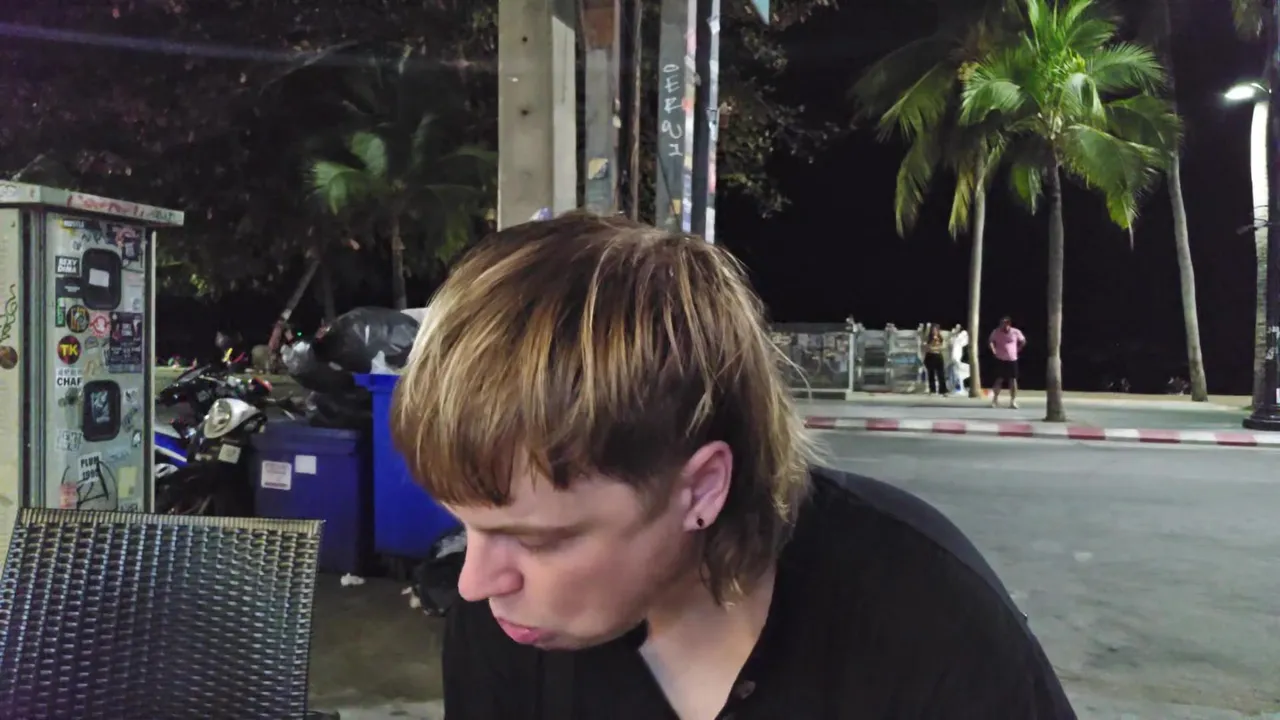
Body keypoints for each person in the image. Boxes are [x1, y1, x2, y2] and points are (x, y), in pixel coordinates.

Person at [390, 212, 1075, 720]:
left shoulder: (923, 616)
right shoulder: (505, 630)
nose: (476, 583)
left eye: (539, 540)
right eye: (467, 525)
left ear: (701, 488)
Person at [988, 316, 1027, 409]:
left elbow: (1023, 341)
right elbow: (991, 341)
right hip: (1000, 359)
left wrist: (1018, 349)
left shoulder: (1015, 332)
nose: (1003, 325)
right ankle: (995, 400)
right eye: (1002, 323)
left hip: (1012, 359)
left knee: (1013, 380)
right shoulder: (996, 331)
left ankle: (1013, 401)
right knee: (999, 379)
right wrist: (993, 349)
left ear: (1009, 324)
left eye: (1005, 324)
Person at [922, 323, 947, 396]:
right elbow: (925, 347)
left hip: (938, 356)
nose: (934, 331)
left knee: (941, 374)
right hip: (930, 356)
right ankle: (932, 390)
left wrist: (933, 348)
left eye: (936, 330)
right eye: (933, 330)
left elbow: (943, 347)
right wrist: (932, 347)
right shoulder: (928, 338)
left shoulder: (941, 338)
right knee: (931, 374)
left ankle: (943, 390)